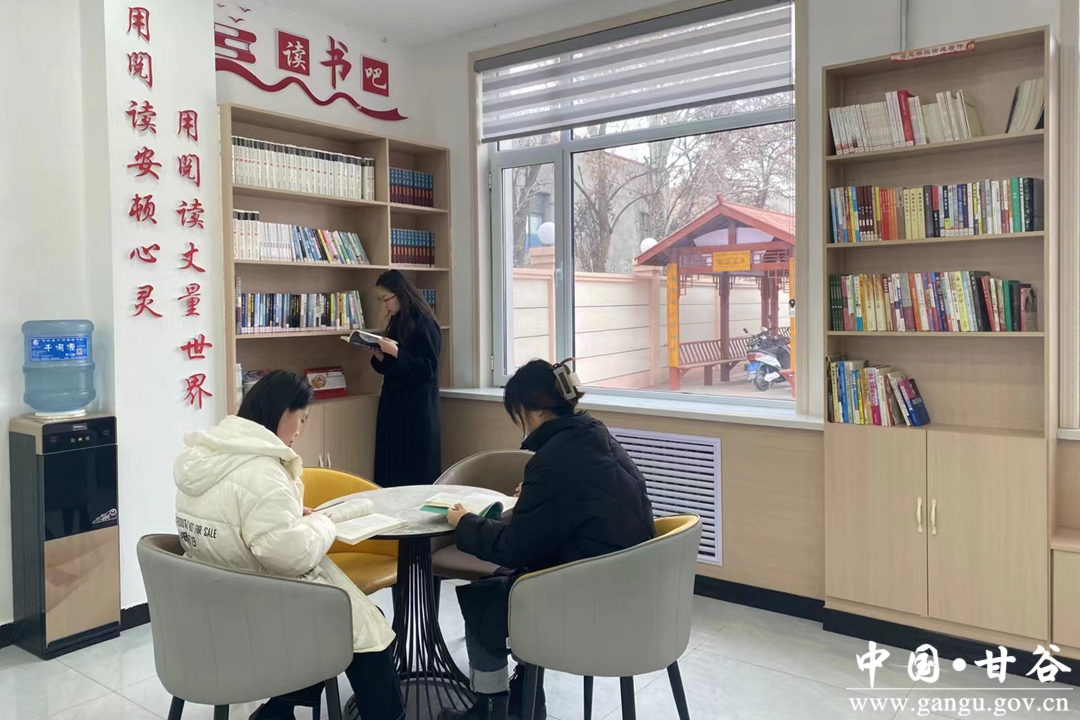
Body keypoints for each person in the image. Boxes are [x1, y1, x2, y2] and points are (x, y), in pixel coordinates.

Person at [174, 371, 405, 720]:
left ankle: (278, 712)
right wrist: (324, 523)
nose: (300, 431)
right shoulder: (262, 472)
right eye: (302, 419)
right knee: (366, 629)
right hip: (264, 610)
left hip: (217, 607)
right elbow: (291, 556)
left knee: (354, 623)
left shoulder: (206, 457)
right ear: (285, 412)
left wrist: (289, 514)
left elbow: (234, 521)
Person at [438, 360, 656, 720]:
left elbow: (514, 548)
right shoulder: (596, 435)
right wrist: (536, 496)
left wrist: (465, 523)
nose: (519, 421)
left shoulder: (554, 459)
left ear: (537, 409)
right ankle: (526, 700)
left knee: (485, 600)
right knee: (511, 585)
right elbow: (584, 502)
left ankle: (490, 711)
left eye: (518, 412)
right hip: (632, 588)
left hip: (589, 598)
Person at [369, 269, 442, 487]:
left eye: (386, 299)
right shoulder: (398, 321)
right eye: (381, 300)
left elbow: (429, 369)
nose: (385, 305)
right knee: (389, 467)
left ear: (400, 294)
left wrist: (396, 352)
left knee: (415, 471)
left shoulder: (425, 323)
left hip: (416, 410)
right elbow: (392, 368)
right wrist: (380, 356)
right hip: (393, 405)